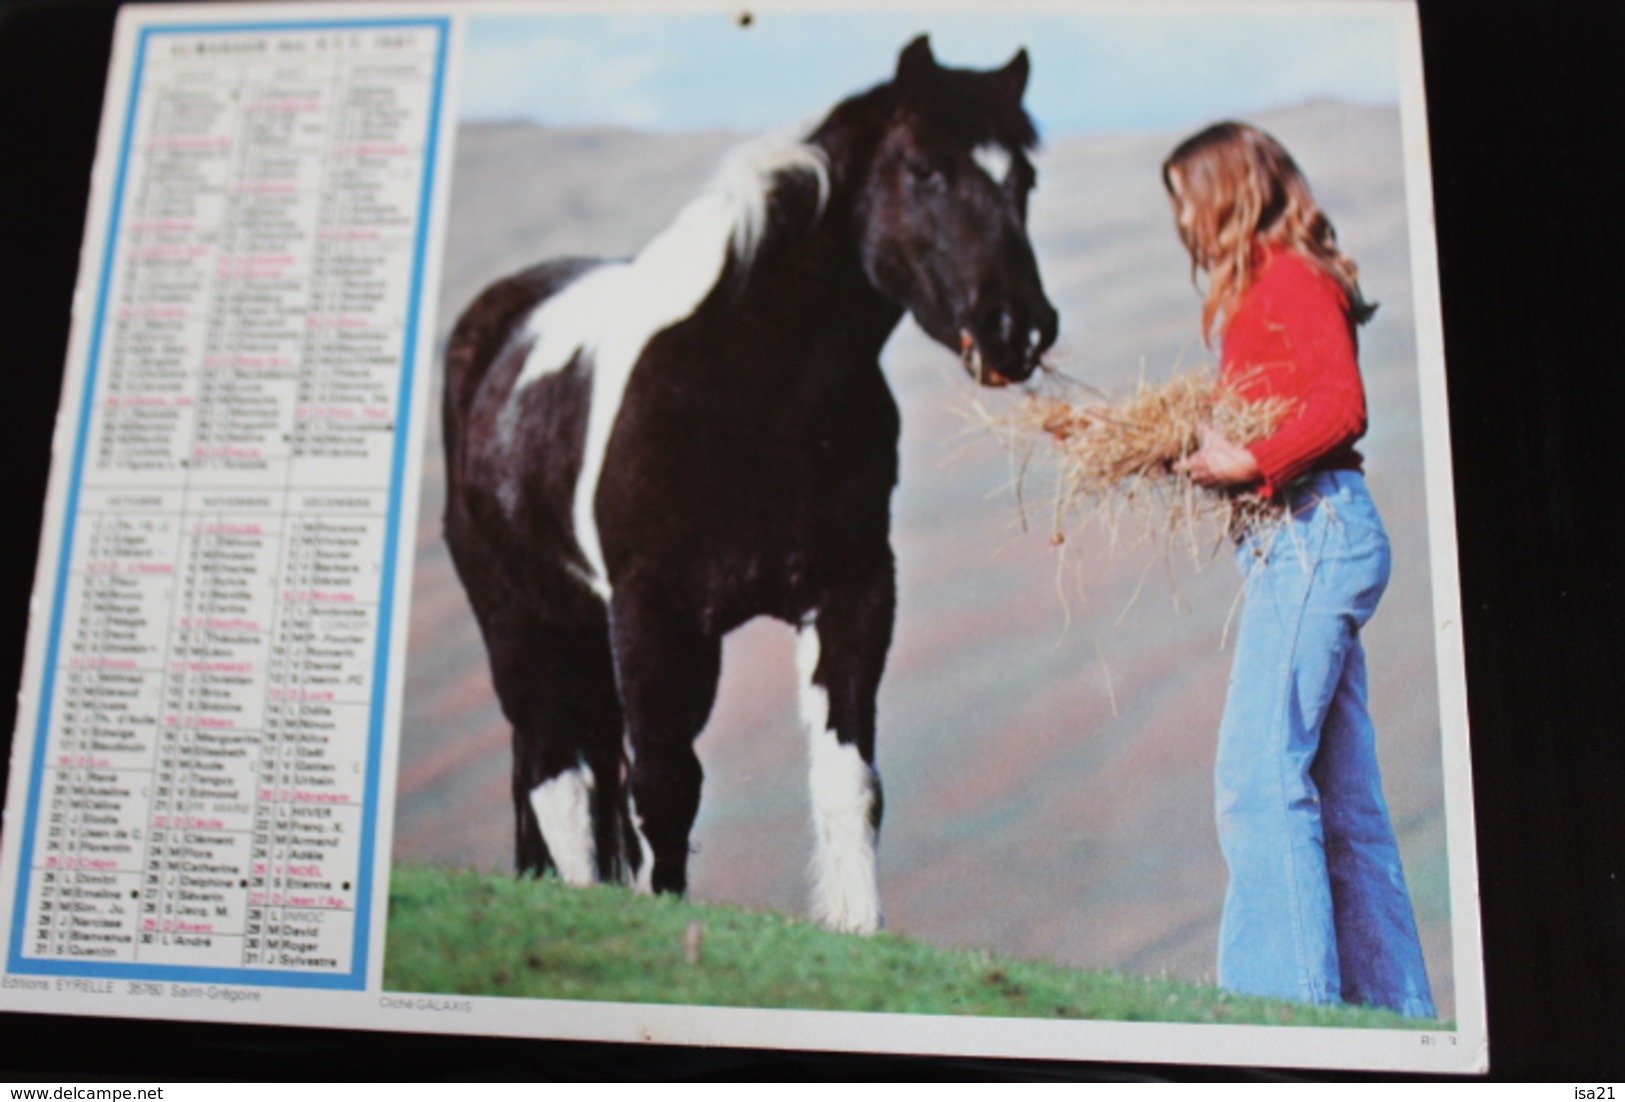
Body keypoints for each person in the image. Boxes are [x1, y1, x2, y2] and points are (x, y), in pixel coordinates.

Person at [1164, 121, 1435, 1018]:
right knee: (1341, 801)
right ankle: (1386, 1019)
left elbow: (1341, 405)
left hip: (1313, 533)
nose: (1182, 224)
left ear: (1227, 192)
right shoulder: (1265, 285)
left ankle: (1280, 1014)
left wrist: (1254, 464)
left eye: (1186, 200)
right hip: (1304, 535)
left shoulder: (1288, 276)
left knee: (1256, 778)